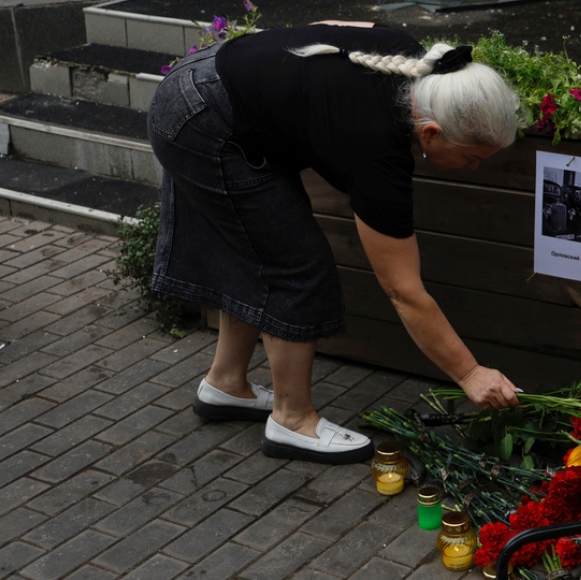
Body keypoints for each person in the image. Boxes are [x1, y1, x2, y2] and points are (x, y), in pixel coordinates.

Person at [147, 21, 522, 465]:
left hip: (208, 83)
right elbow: (403, 291)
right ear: (431, 133)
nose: (474, 168)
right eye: (472, 157)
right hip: (201, 118)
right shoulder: (377, 151)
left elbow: (349, 26)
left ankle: (226, 383)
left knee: (257, 247)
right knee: (298, 268)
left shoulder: (414, 61)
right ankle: (292, 420)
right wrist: (470, 373)